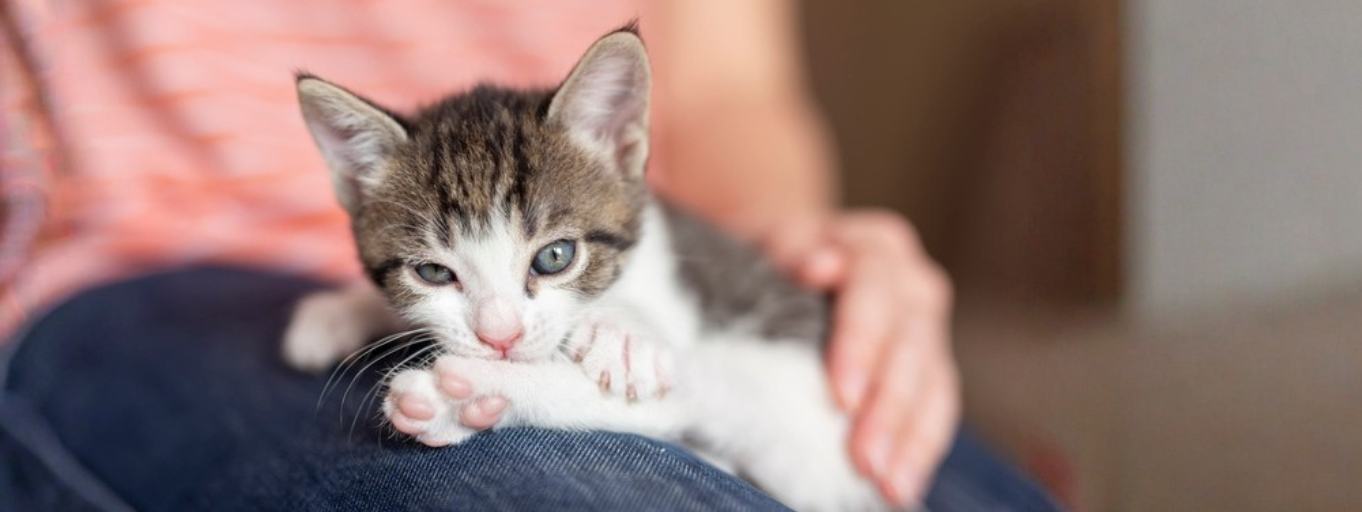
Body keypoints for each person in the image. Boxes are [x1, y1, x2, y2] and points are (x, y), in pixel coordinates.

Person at [0, 0, 1061, 510]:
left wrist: (799, 257)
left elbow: (728, 93)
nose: (501, 327)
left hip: (620, 244)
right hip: (153, 270)